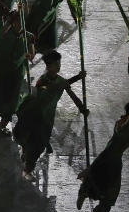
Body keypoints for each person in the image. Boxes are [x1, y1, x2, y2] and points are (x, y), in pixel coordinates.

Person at [12, 51, 87, 179]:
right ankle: (27, 169)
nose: (58, 66)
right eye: (55, 64)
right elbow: (49, 88)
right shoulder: (43, 80)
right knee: (32, 142)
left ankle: (27, 160)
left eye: (59, 63)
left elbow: (67, 89)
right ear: (48, 65)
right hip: (35, 115)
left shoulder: (60, 81)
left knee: (37, 143)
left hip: (47, 118)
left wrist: (81, 107)